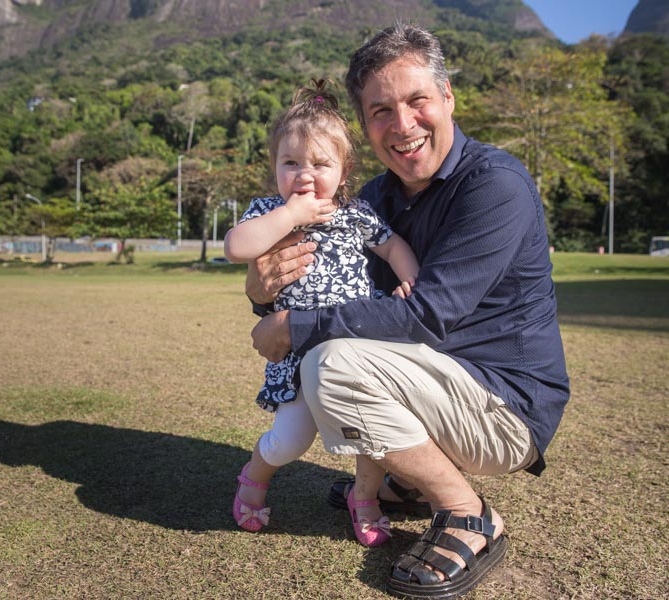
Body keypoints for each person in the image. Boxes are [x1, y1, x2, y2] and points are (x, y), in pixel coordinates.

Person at [246, 24, 570, 599]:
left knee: (331, 363)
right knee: (334, 348)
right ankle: (408, 482)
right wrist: (261, 291)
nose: (402, 124)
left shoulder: (494, 186)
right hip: (437, 388)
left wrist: (293, 328)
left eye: (417, 100)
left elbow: (425, 317)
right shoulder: (372, 198)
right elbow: (322, 290)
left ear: (448, 98)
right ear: (364, 127)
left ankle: (468, 514)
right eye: (380, 111)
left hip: (504, 406)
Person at [224, 79, 420, 547]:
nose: (305, 175)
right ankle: (254, 477)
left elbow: (392, 246)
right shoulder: (271, 210)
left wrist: (411, 276)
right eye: (290, 163)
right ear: (274, 167)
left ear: (344, 169)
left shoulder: (355, 213)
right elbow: (236, 246)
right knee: (291, 440)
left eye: (320, 164)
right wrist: (290, 216)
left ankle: (366, 499)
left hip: (357, 347)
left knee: (372, 438)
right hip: (297, 352)